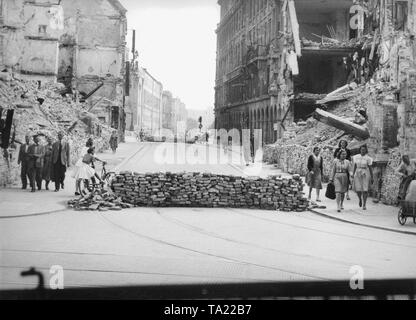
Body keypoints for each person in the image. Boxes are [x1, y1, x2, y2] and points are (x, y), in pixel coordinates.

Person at [352, 145, 374, 210]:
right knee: (358, 190)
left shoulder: (368, 158)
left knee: (365, 190)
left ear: (366, 150)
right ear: (360, 150)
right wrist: (353, 174)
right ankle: (360, 199)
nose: (363, 151)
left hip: (365, 173)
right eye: (362, 149)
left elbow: (370, 168)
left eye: (364, 149)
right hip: (357, 173)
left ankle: (364, 204)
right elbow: (355, 166)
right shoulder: (356, 157)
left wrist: (372, 177)